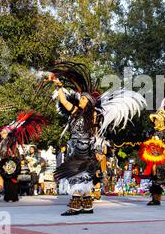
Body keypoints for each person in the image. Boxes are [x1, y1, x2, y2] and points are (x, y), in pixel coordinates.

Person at [45, 62, 145, 216]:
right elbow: (64, 101)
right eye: (81, 99)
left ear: (90, 102)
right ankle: (86, 206)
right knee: (82, 177)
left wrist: (99, 150)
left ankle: (75, 207)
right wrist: (58, 87)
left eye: (84, 99)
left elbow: (97, 134)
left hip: (84, 149)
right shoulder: (75, 112)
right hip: (77, 147)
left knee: (79, 177)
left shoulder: (93, 116)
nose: (81, 100)